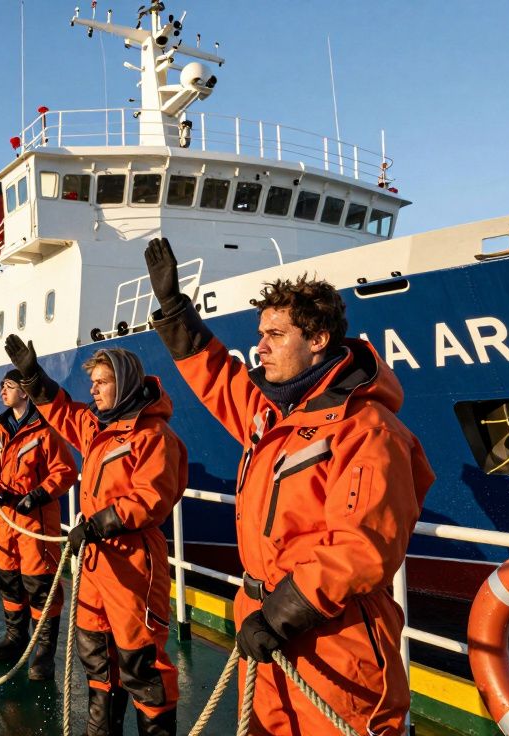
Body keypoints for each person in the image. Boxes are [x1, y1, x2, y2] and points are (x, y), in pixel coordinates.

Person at [143, 237, 434, 735]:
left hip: (335, 646)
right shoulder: (273, 415)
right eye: (261, 334)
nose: (260, 346)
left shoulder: (367, 429)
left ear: (318, 338)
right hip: (266, 625)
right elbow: (218, 377)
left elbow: (363, 547)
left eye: (275, 335)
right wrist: (174, 310)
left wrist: (279, 616)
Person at [5, 335, 187, 736]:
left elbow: (152, 496)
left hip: (133, 560)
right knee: (95, 651)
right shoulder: (100, 428)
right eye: (93, 382)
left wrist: (100, 522)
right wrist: (34, 378)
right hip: (95, 561)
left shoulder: (153, 436)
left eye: (101, 382)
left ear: (122, 383)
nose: (93, 389)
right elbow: (65, 412)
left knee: (140, 662)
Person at [0, 370, 77, 680]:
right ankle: (15, 639)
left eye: (8, 385)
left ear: (25, 392)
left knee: (40, 586)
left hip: (36, 523)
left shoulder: (46, 431)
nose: (2, 390)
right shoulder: (0, 431)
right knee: (8, 580)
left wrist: (38, 495)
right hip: (6, 520)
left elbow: (65, 470)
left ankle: (44, 650)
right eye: (2, 385)